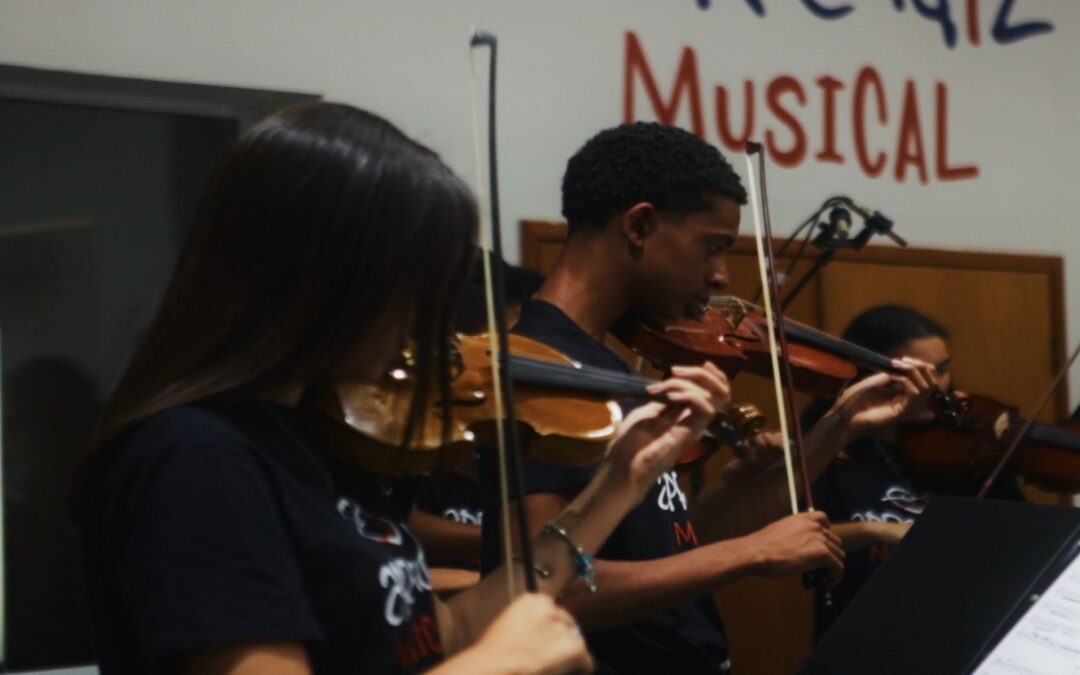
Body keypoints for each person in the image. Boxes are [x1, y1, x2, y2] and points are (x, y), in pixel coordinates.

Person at [77, 103, 730, 675]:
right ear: (324, 279)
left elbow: (432, 633)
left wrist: (621, 481)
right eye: (417, 289)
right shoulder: (197, 460)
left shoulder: (322, 443)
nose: (435, 324)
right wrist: (498, 664)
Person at [479, 122, 938, 674]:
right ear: (641, 225)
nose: (722, 278)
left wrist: (839, 424)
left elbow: (670, 551)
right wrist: (750, 553)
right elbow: (545, 592)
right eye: (712, 247)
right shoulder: (541, 368)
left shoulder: (610, 364)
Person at [810, 304, 1025, 640]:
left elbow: (1020, 537)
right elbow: (797, 538)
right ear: (871, 375)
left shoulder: (970, 451)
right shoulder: (832, 451)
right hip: (862, 637)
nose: (936, 387)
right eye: (920, 374)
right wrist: (874, 530)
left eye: (942, 370)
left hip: (960, 631)